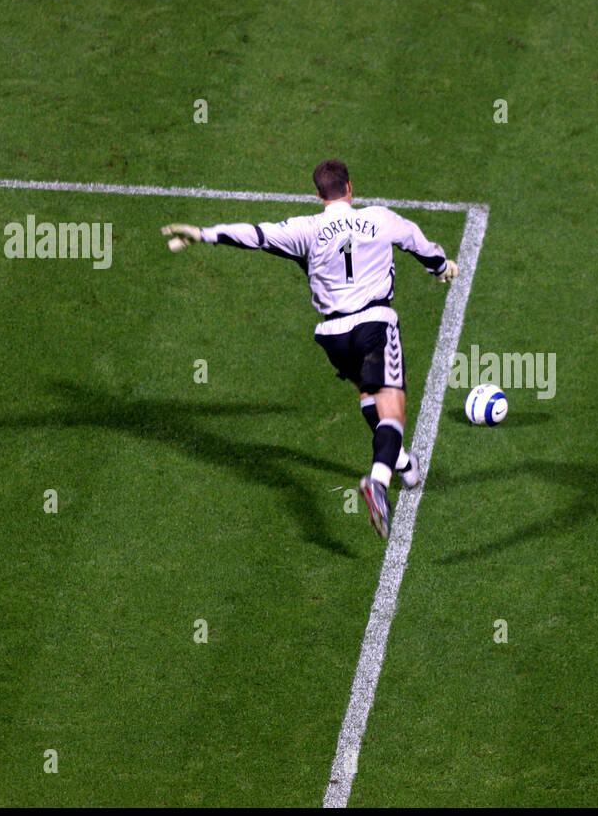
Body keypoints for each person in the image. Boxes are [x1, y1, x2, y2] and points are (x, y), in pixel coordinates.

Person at [161, 159, 457, 539]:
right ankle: (378, 482)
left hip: (333, 335)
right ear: (351, 188)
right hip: (373, 324)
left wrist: (202, 233)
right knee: (393, 412)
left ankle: (401, 462)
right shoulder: (380, 217)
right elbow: (420, 245)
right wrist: (441, 268)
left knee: (368, 393)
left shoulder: (305, 228)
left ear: (318, 195)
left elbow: (255, 234)